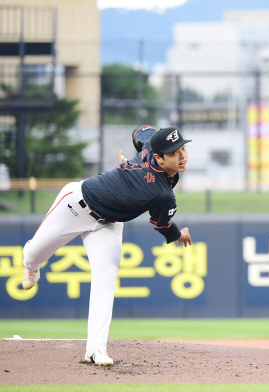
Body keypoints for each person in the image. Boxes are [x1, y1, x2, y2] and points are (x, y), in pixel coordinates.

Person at [21, 126, 192, 366]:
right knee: (32, 252)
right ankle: (31, 265)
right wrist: (179, 234)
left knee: (106, 278)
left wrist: (136, 160)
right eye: (174, 152)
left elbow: (139, 133)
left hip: (109, 225)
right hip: (76, 205)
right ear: (159, 156)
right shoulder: (159, 182)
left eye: (183, 148)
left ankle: (96, 349)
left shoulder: (158, 168)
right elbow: (163, 225)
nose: (182, 155)